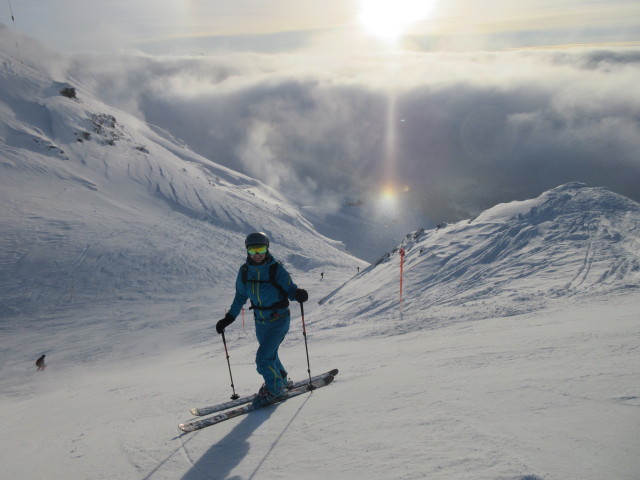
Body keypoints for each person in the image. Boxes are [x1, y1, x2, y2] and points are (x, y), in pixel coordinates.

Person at [216, 232, 308, 407]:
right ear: (247, 251)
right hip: (260, 321)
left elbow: (290, 290)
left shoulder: (276, 269)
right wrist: (228, 318)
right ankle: (281, 379)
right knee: (269, 354)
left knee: (263, 359)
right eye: (253, 250)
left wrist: (298, 294)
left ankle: (275, 390)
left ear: (267, 249)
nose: (257, 254)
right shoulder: (244, 272)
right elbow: (240, 296)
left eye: (261, 249)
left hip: (279, 318)